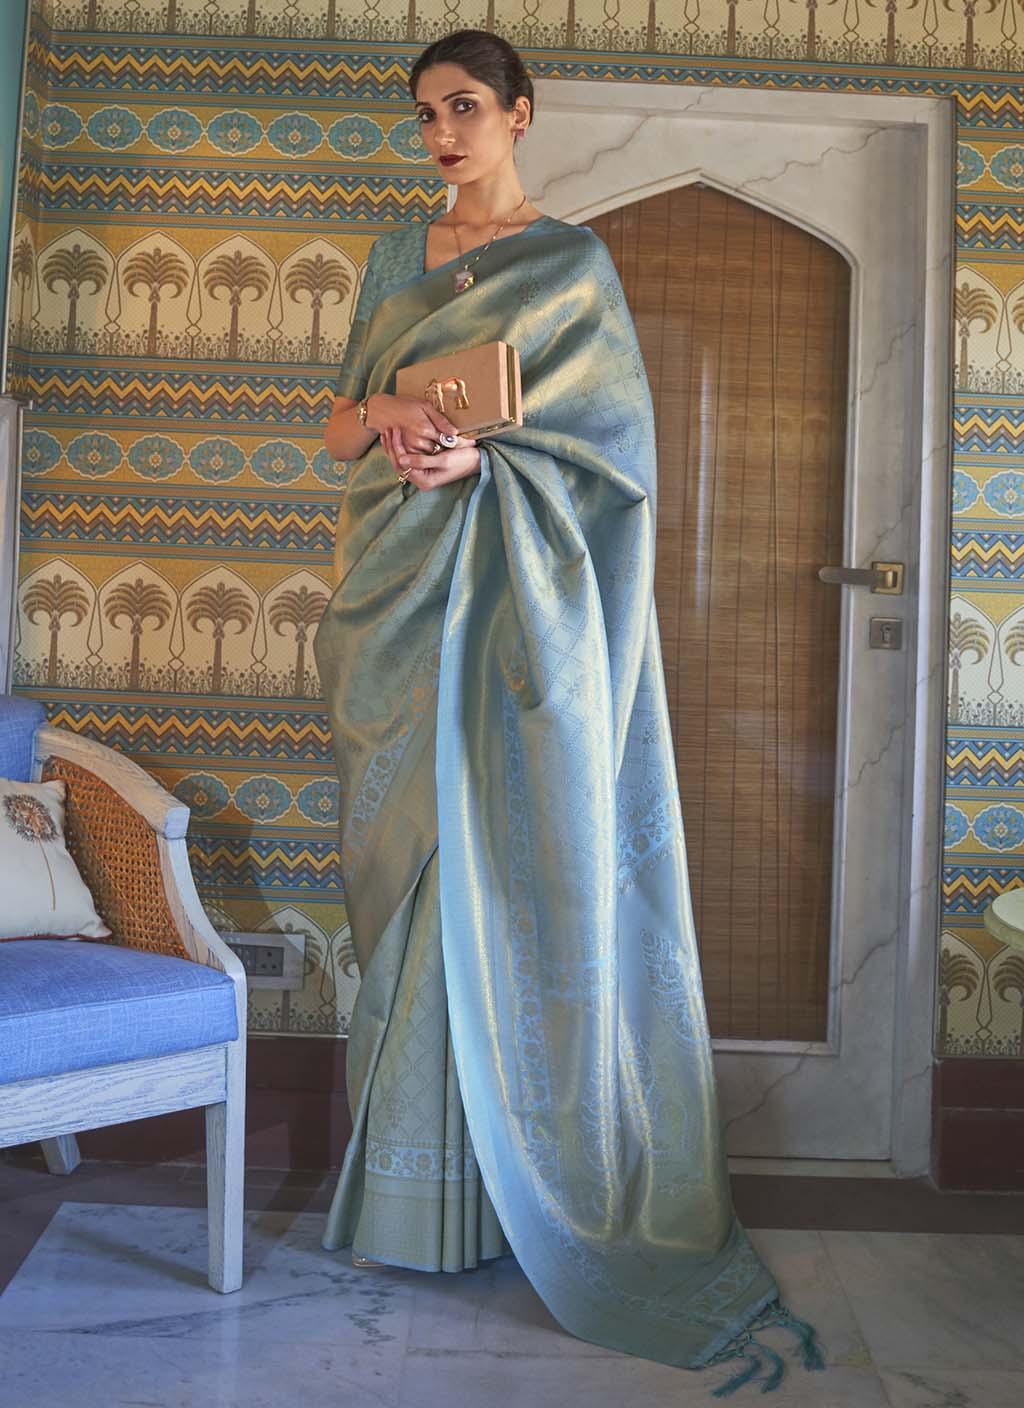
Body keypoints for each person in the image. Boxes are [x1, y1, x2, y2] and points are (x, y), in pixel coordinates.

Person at [314, 28, 824, 1394]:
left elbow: (610, 462)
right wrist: (393, 416)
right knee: (413, 878)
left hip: (514, 623)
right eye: (426, 113)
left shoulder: (571, 264)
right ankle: (413, 1205)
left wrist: (484, 464)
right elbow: (336, 430)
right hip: (396, 610)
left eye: (465, 107)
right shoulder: (392, 257)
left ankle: (523, 1196)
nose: (443, 133)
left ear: (521, 113)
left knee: (507, 875)